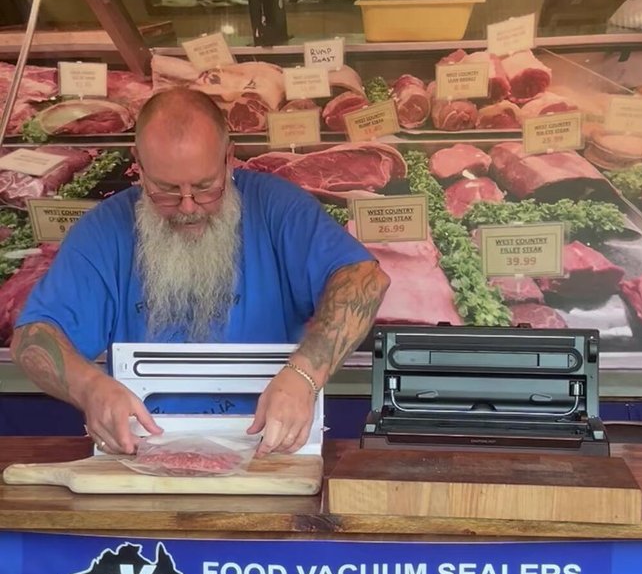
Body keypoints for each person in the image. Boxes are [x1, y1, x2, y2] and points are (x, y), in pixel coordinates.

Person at [11, 88, 389, 456]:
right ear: (138, 166)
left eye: (206, 187)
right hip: (142, 453)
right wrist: (90, 387)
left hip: (268, 451)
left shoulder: (277, 208)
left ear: (229, 158)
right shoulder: (105, 230)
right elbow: (32, 338)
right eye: (166, 190)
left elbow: (364, 280)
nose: (188, 207)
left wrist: (305, 375)